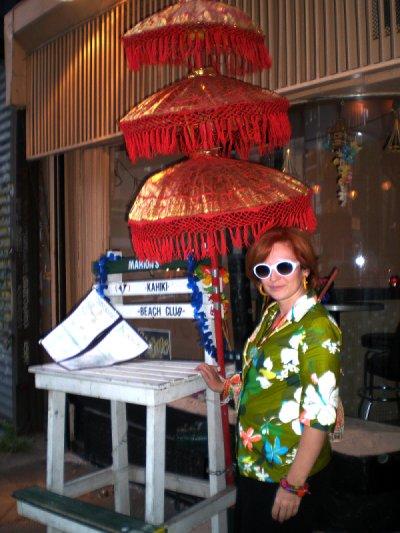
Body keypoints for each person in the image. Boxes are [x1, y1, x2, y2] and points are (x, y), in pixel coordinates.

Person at [197, 227, 341, 532]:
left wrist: (293, 486)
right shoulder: (272, 314)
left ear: (304, 269)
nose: (273, 277)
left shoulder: (316, 328)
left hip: (287, 472)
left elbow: (320, 417)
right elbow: (266, 379)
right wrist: (225, 386)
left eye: (284, 267)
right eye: (264, 269)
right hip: (257, 463)